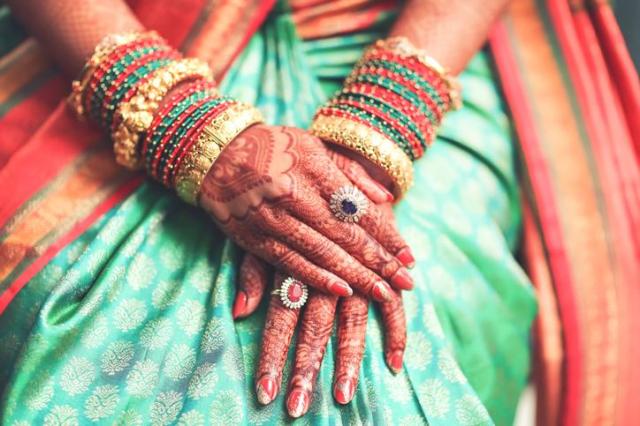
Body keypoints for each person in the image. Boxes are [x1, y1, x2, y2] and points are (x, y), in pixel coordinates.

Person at [0, 0, 537, 424]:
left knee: (396, 317)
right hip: (118, 32)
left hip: (421, 41)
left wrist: (377, 133)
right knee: (101, 305)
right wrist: (189, 129)